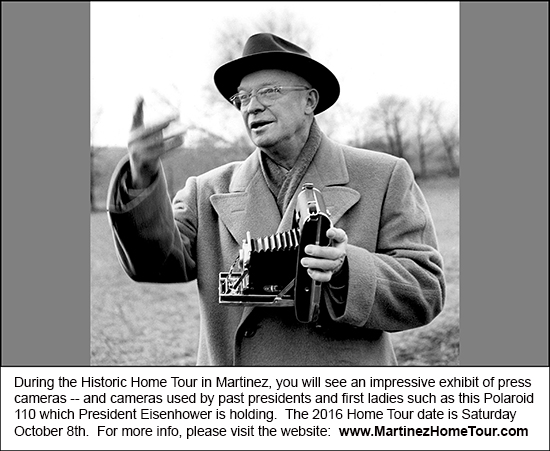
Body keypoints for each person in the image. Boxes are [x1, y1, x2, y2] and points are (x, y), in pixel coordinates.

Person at [107, 33, 445, 366]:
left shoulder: (384, 175)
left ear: (310, 101)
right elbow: (154, 263)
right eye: (242, 97)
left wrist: (346, 270)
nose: (252, 106)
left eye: (269, 91)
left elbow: (424, 289)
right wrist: (141, 177)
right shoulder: (207, 191)